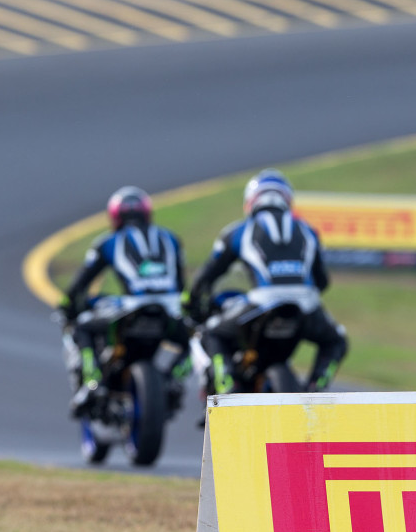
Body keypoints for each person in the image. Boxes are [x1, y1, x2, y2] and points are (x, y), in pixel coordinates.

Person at [184, 168, 348, 395]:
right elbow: (322, 281)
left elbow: (207, 276)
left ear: (251, 201)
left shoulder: (239, 231)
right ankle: (315, 390)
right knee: (337, 341)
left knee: (212, 333)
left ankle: (227, 387)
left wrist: (191, 301)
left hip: (260, 303)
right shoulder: (309, 231)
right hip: (306, 305)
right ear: (287, 200)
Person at [58, 185, 191, 416]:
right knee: (194, 339)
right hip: (170, 309)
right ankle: (175, 379)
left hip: (131, 307)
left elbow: (81, 283)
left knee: (82, 327)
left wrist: (67, 305)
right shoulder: (171, 238)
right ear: (147, 213)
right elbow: (181, 283)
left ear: (115, 217)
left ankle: (93, 382)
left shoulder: (108, 242)